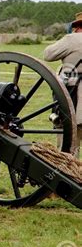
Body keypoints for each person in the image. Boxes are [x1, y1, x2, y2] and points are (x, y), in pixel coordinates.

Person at [44, 12, 82, 158]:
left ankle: (68, 179)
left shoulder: (72, 39)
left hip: (74, 101)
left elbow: (48, 54)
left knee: (68, 152)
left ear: (76, 27)